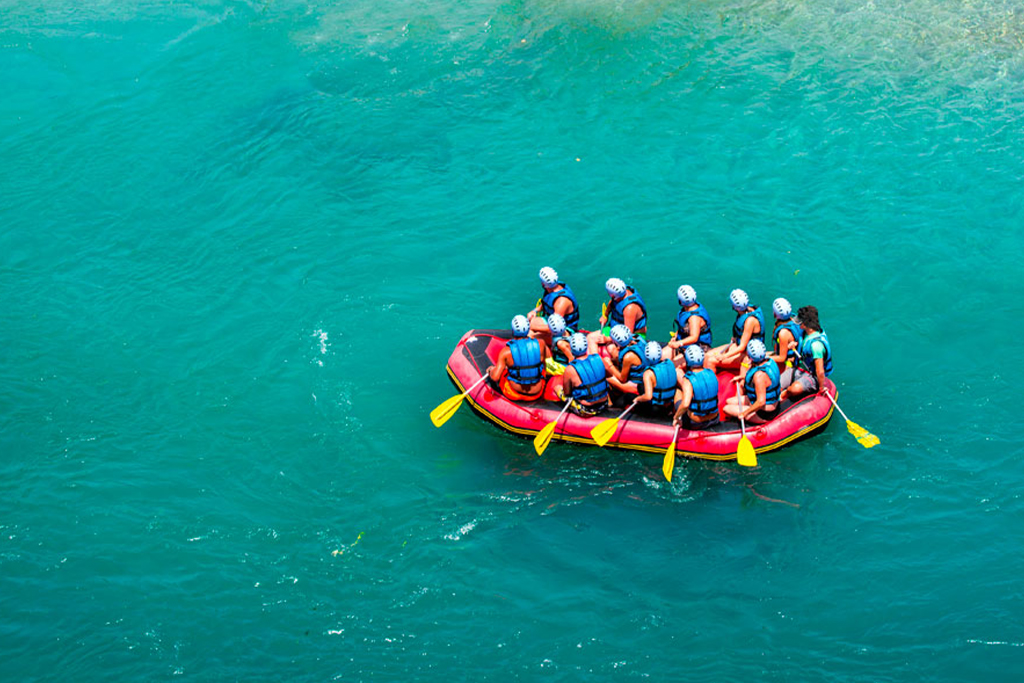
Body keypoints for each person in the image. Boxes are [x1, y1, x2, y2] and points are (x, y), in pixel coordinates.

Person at [487, 315, 551, 401]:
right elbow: (544, 365)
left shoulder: (506, 352)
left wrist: (491, 370)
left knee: (503, 372)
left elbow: (495, 377)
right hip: (537, 392)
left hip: (514, 393)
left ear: (513, 331)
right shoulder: (541, 344)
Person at [705, 288, 764, 372]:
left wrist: (724, 356)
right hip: (738, 346)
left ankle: (712, 380)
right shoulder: (748, 309)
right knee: (707, 356)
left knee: (710, 361)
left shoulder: (750, 321)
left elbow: (742, 347)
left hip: (748, 355)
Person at [781, 305, 833, 400]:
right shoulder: (807, 332)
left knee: (793, 389)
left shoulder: (816, 346)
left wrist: (821, 388)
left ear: (805, 324)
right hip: (798, 369)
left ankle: (783, 396)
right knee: (777, 383)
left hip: (811, 375)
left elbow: (820, 371)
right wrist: (795, 344)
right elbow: (804, 344)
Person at [723, 339, 780, 424]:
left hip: (764, 413)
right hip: (767, 403)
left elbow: (761, 402)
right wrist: (742, 377)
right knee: (729, 401)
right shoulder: (770, 361)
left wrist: (744, 413)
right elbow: (767, 381)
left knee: (726, 408)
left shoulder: (759, 376)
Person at [560, 333, 611, 416]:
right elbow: (609, 375)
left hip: (586, 409)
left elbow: (567, 393)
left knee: (557, 388)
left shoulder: (570, 369)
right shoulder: (598, 358)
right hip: (604, 404)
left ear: (571, 349)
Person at [673, 345, 720, 429]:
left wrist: (676, 417)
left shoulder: (688, 379)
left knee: (677, 392)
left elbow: (685, 404)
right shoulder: (711, 373)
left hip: (696, 422)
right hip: (714, 419)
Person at [528, 267, 579, 338]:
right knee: (532, 321)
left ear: (543, 284)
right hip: (552, 323)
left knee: (531, 335)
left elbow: (555, 328)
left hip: (565, 330)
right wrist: (535, 311)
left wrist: (532, 327)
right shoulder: (552, 289)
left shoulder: (561, 302)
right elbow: (547, 302)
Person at [665, 284, 712, 360]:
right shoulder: (687, 309)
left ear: (680, 301)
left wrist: (678, 343)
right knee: (662, 355)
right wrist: (675, 336)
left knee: (673, 364)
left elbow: (694, 337)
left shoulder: (694, 317)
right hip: (682, 345)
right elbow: (684, 328)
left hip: (696, 350)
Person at [635, 341, 682, 416]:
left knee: (631, 394)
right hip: (669, 404)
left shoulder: (648, 373)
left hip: (656, 408)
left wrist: (638, 399)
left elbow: (648, 397)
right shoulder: (670, 363)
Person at [602, 324, 650, 396]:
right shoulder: (637, 337)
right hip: (645, 372)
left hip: (637, 384)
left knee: (606, 376)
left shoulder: (628, 356)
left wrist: (610, 364)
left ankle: (613, 399)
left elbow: (622, 379)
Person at [767, 297, 802, 390]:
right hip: (789, 357)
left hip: (788, 363)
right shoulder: (793, 320)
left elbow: (782, 358)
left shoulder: (783, 333)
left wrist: (764, 357)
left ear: (775, 314)